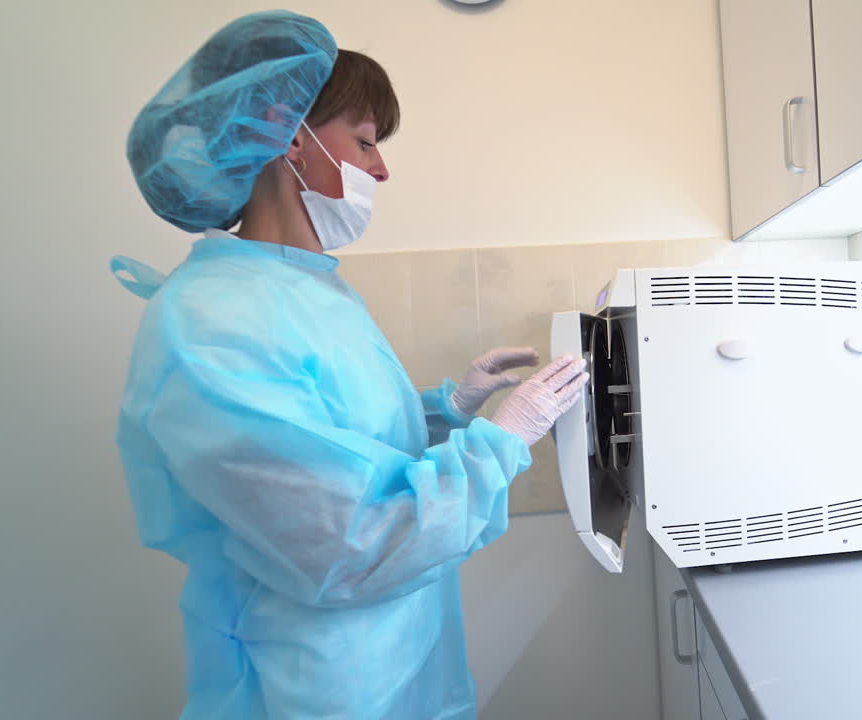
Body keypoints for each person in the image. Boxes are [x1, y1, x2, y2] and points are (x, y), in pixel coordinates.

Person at [111, 11, 588, 719]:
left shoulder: (304, 287)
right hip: (315, 689)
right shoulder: (209, 322)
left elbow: (341, 456)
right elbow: (347, 545)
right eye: (364, 141)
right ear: (288, 134)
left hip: (398, 663)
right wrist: (502, 441)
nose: (381, 169)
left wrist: (447, 411)